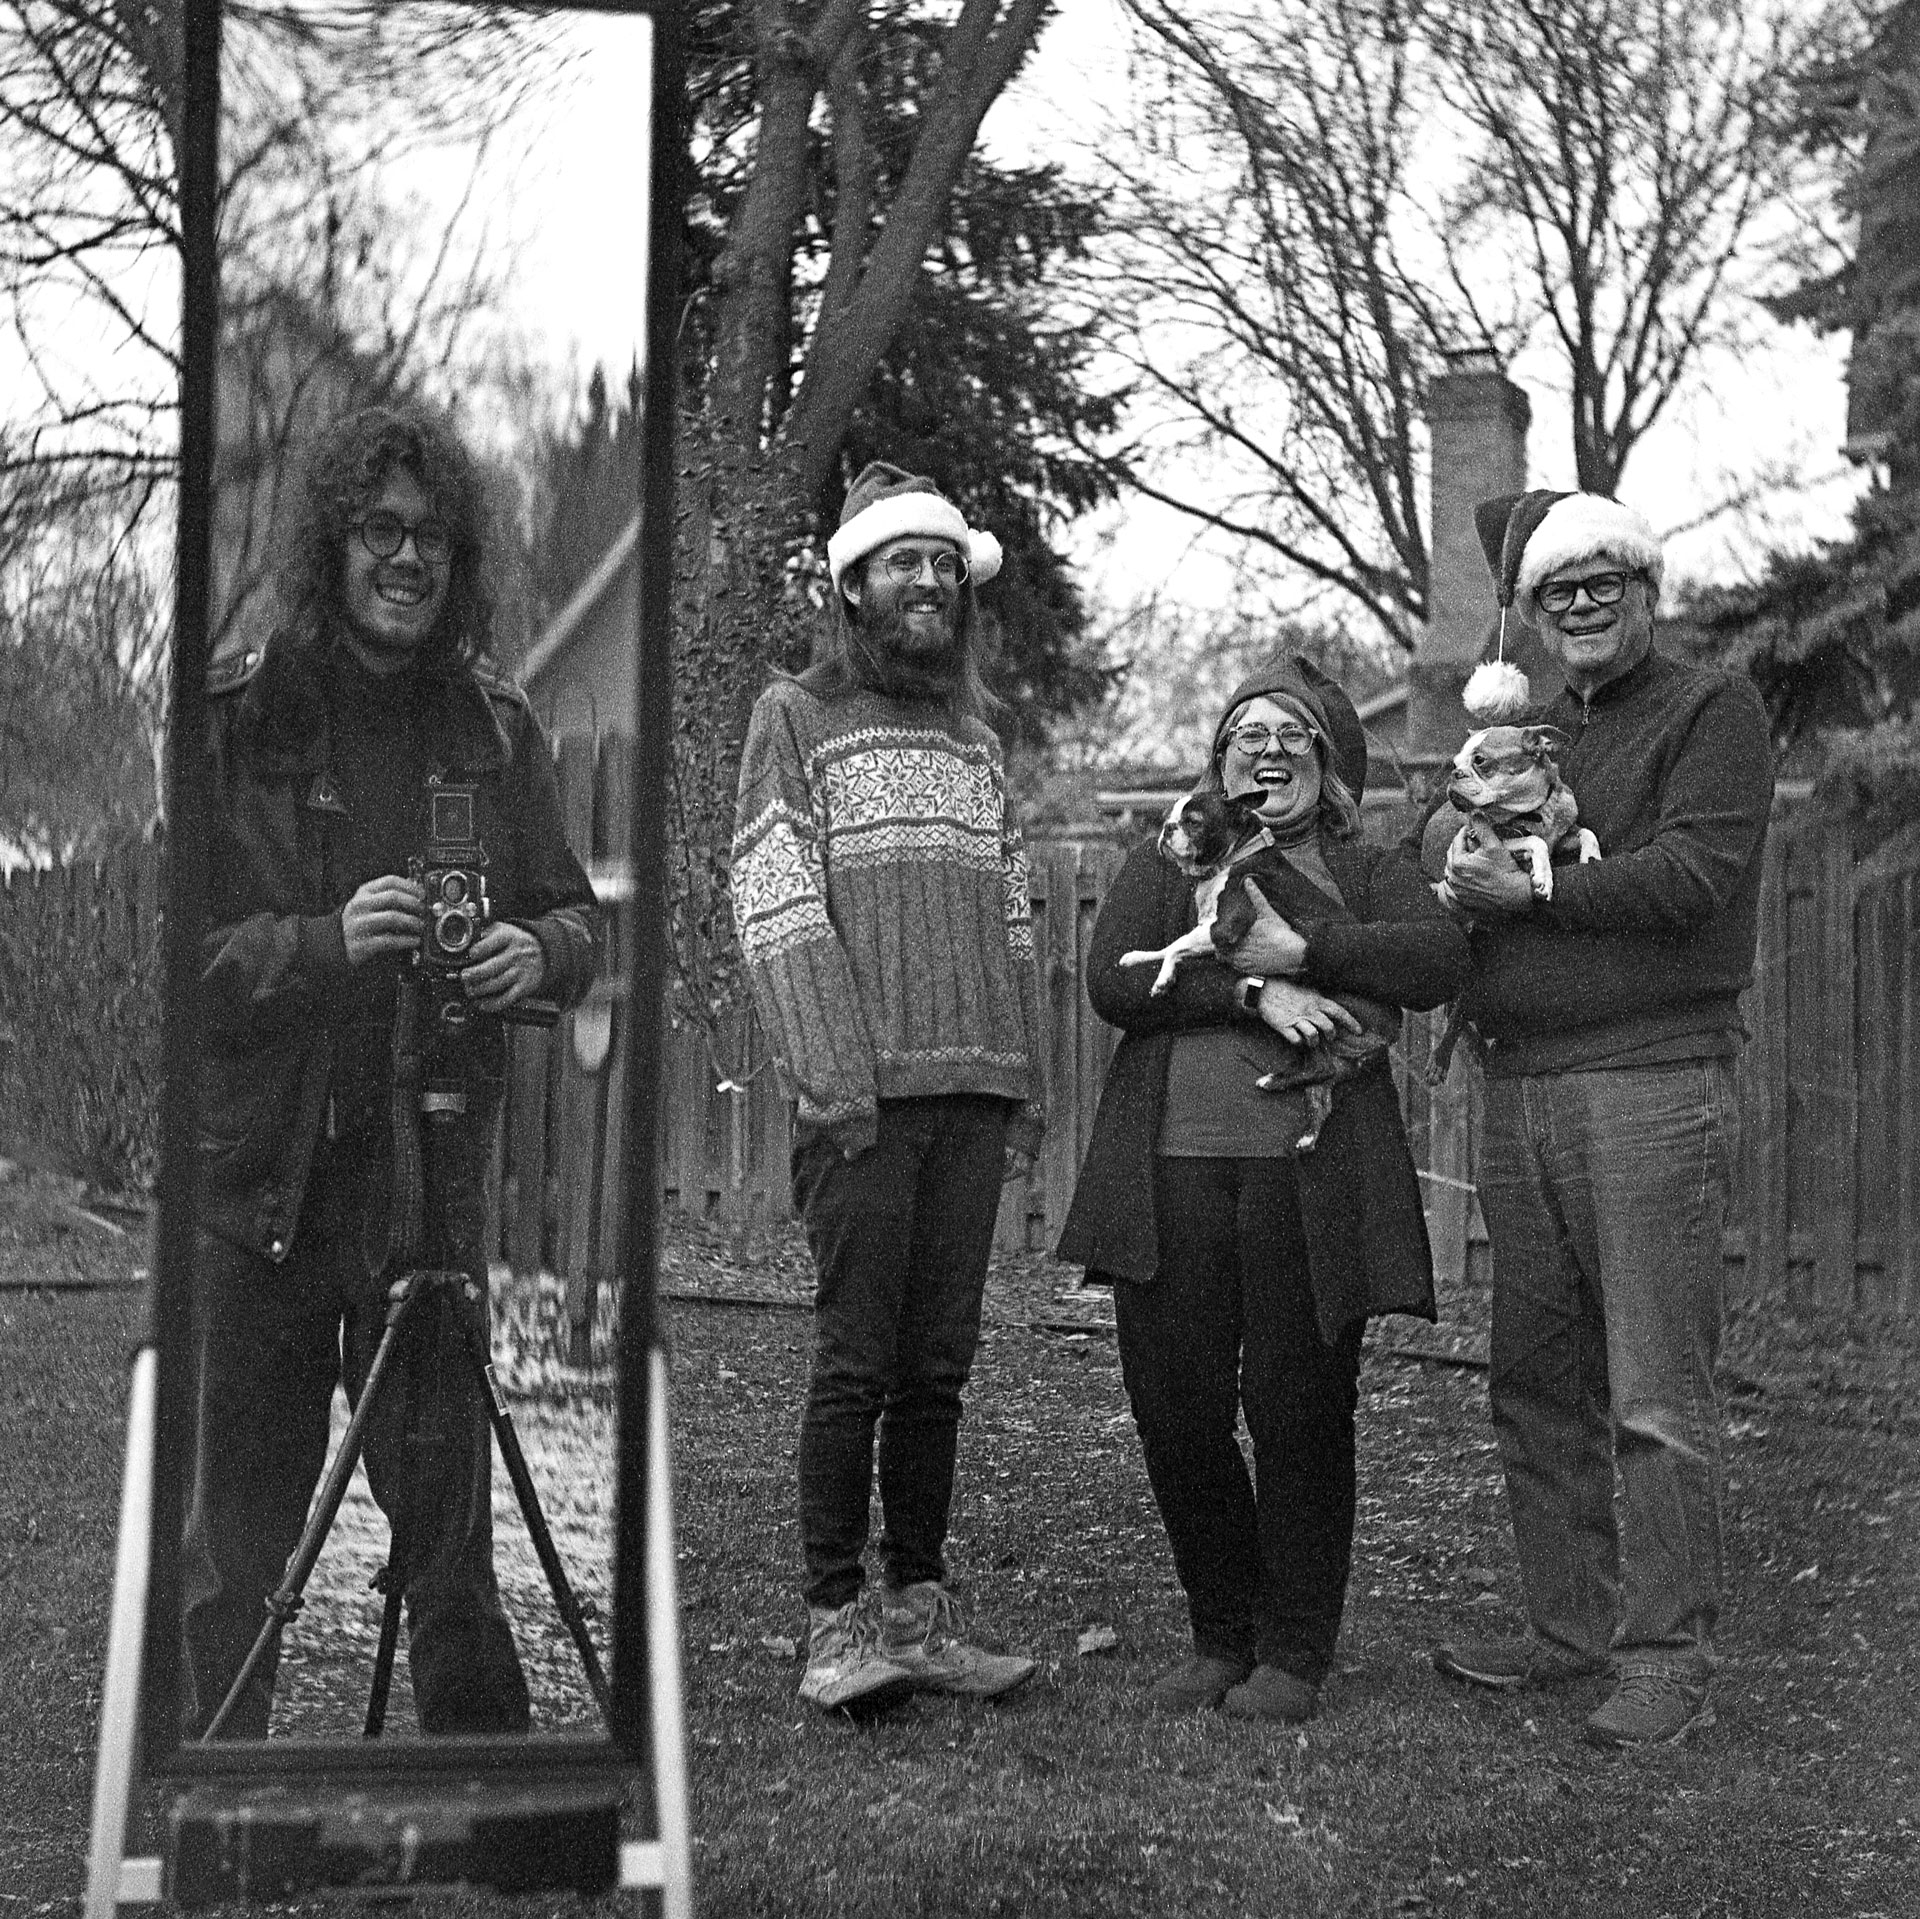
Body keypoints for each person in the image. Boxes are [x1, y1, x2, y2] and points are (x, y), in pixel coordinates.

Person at [181, 402, 598, 1739]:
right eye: (380, 530)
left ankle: (491, 1807)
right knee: (233, 1547)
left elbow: (579, 916)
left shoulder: (495, 722)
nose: (407, 559)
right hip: (259, 1190)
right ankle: (214, 1799)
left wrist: (539, 950)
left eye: (432, 536)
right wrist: (319, 941)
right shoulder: (239, 714)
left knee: (448, 1536)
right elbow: (176, 966)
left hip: (424, 1182)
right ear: (335, 543)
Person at [1424, 489, 1774, 1748]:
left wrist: (1525, 880)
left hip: (1653, 1085)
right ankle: (1570, 1632)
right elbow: (1450, 827)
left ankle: (1667, 1656)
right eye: (1556, 594)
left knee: (1654, 1390)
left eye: (1602, 586)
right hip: (1520, 1087)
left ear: (1643, 591)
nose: (1579, 608)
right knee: (1536, 1378)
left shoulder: (1710, 708)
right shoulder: (1536, 730)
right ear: (1535, 613)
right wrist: (1453, 856)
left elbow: (1690, 879)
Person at [1057, 658, 1469, 1724]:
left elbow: (1433, 961)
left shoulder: (1366, 869)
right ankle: (1219, 1630)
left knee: (1297, 1407)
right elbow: (1115, 981)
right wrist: (1254, 988)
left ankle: (1292, 1648)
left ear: (1328, 767)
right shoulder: (1170, 859)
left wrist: (1310, 947)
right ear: (1220, 760)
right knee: (1174, 1405)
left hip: (1308, 1178)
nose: (1266, 748)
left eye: (1291, 734)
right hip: (1170, 1172)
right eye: (1245, 732)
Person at [731, 462, 1045, 1715]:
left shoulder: (979, 741)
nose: (926, 582)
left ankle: (918, 1616)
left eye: (942, 565)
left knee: (939, 1369)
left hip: (968, 1095)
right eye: (899, 562)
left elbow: (1015, 914)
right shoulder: (794, 715)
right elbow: (773, 896)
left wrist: (1018, 1081)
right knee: (856, 1363)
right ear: (852, 584)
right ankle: (834, 1629)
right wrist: (834, 1074)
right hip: (857, 1107)